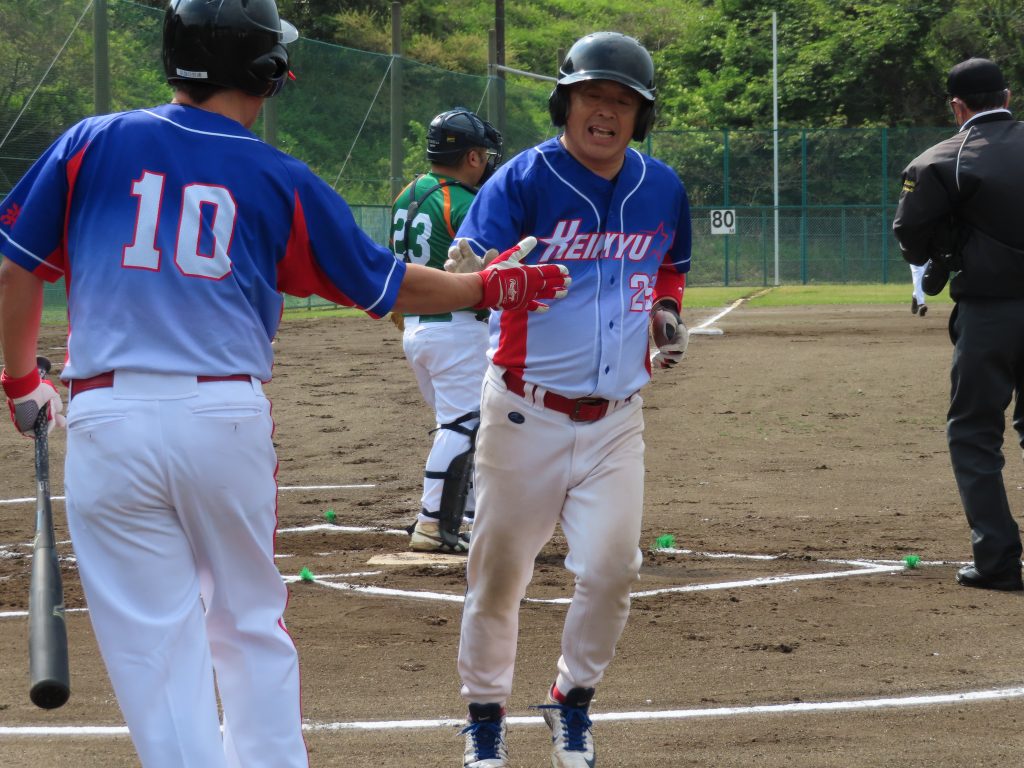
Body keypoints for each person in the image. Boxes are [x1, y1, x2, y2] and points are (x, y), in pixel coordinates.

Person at [0, 1, 569, 765]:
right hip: (221, 416)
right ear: (268, 73)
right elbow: (386, 282)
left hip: (108, 415)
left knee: (151, 641)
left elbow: (15, 269)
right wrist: (487, 288)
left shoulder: (91, 141)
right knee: (246, 624)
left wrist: (21, 380)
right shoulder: (277, 177)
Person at [445, 31, 691, 768]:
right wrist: (481, 271)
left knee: (614, 570)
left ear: (639, 118)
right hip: (524, 412)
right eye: (593, 97)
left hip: (618, 419)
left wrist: (667, 314)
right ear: (566, 101)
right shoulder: (523, 179)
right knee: (498, 577)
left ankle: (570, 701)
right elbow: (469, 267)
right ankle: (485, 717)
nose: (606, 113)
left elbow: (670, 267)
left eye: (623, 102)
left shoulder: (663, 186)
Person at [893, 56, 1024, 593]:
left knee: (973, 432)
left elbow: (911, 237)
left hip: (990, 314)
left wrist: (949, 249)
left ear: (956, 107)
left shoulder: (939, 160)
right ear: (1008, 97)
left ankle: (997, 560)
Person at [390, 108, 502, 553]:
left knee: (460, 424)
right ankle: (433, 522)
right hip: (455, 326)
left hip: (415, 327)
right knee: (463, 424)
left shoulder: (408, 193)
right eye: (484, 155)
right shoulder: (466, 201)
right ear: (471, 157)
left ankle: (468, 515)